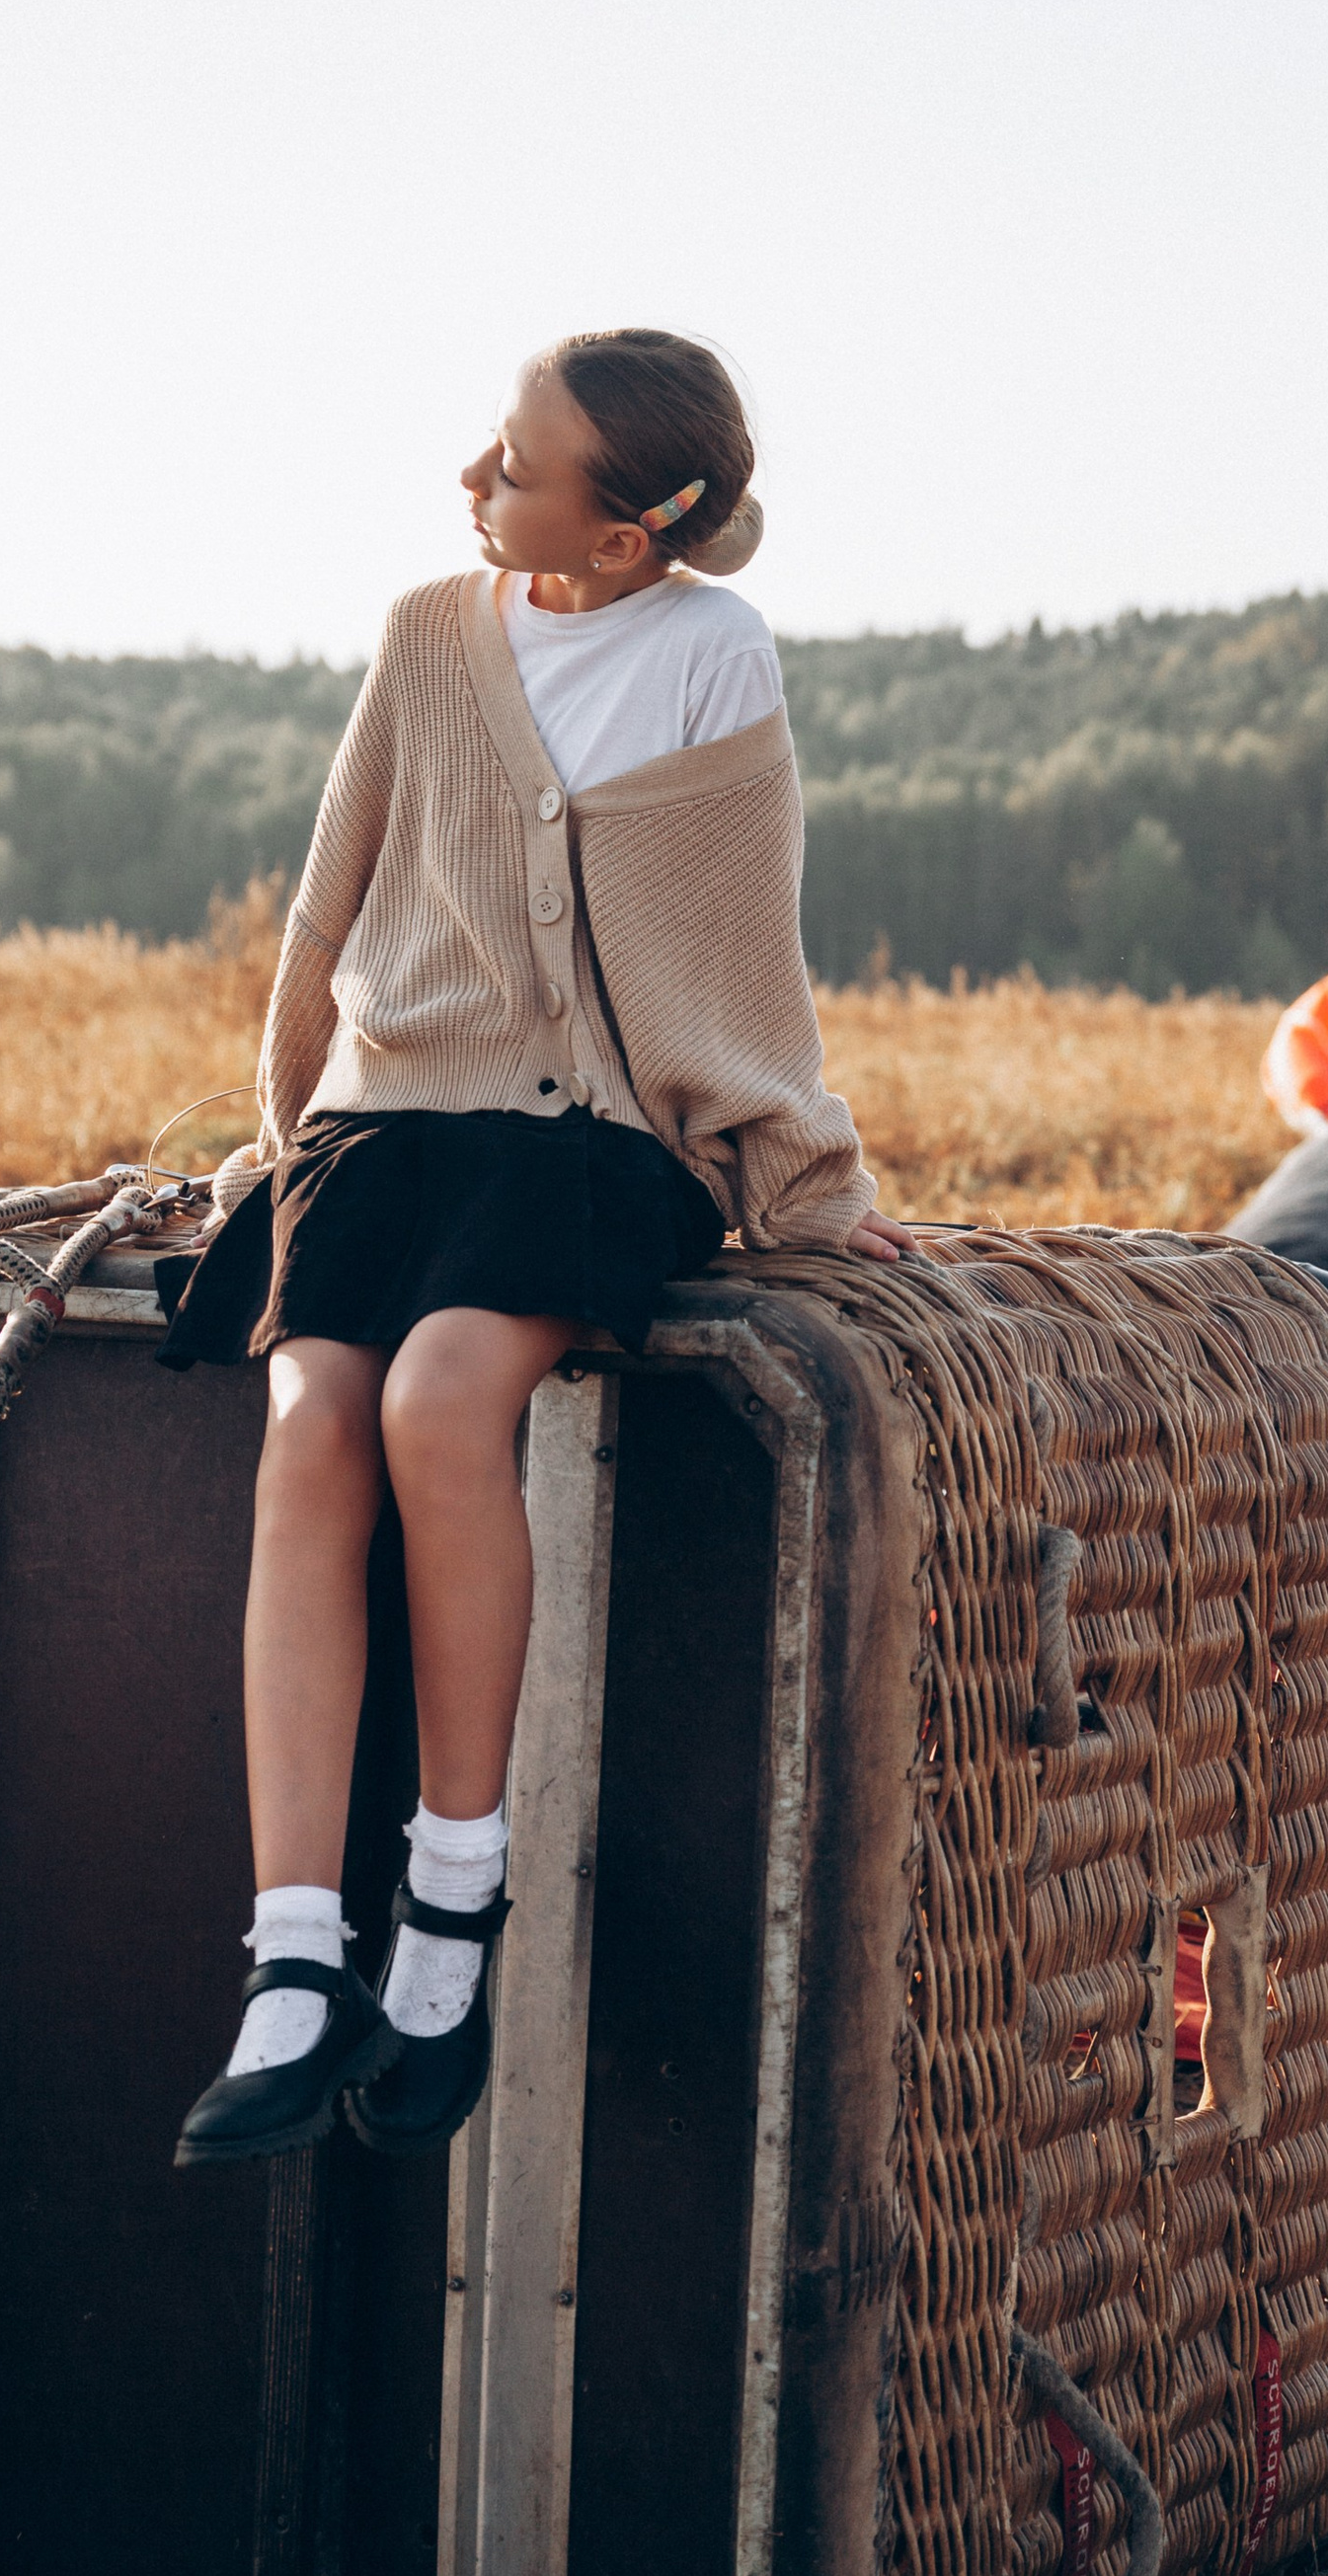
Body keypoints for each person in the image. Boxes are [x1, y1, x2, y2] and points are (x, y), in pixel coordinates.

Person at [156, 329, 916, 2169]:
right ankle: (291, 1952)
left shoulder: (710, 656)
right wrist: (291, 1126)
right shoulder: (429, 629)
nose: (475, 479)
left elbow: (718, 945)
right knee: (308, 1423)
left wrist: (781, 1159)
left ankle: (450, 1902)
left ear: (635, 532)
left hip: (585, 1132)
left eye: (516, 461)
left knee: (437, 1399)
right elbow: (333, 896)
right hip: (391, 1117)